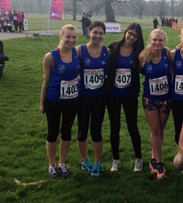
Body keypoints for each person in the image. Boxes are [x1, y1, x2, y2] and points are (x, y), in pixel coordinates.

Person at [39, 24, 79, 178]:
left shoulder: (77, 53)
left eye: (74, 37)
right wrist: (42, 103)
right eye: (68, 36)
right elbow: (46, 80)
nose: (71, 40)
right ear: (60, 36)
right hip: (53, 99)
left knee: (67, 131)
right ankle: (52, 165)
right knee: (52, 132)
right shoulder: (50, 57)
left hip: (72, 100)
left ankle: (62, 163)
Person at [105, 23, 145, 172]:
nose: (131, 37)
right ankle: (116, 160)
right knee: (114, 127)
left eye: (135, 35)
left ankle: (138, 159)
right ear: (125, 32)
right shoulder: (113, 47)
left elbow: (145, 69)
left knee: (132, 126)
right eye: (129, 33)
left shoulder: (139, 51)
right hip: (113, 95)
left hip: (130, 95)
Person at [76, 20, 110, 177]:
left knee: (96, 130)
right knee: (82, 130)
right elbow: (65, 60)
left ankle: (98, 162)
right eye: (95, 32)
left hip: (99, 97)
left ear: (104, 34)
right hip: (83, 97)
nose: (97, 35)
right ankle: (85, 160)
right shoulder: (80, 51)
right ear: (89, 32)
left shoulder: (107, 51)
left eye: (100, 33)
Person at [139, 28, 171, 179]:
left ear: (164, 41)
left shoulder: (168, 54)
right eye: (154, 40)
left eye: (160, 40)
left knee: (161, 129)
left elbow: (172, 69)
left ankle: (153, 158)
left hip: (165, 97)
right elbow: (139, 71)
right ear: (150, 40)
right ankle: (159, 164)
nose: (157, 43)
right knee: (155, 129)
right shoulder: (143, 56)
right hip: (150, 98)